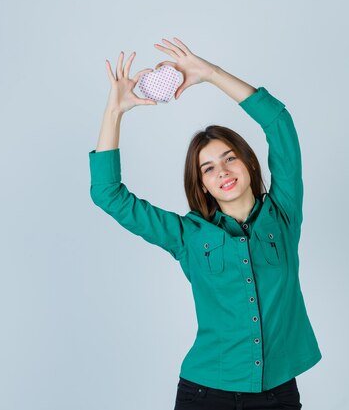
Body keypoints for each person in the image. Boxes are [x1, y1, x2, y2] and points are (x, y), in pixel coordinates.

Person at [89, 37, 322, 410]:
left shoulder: (284, 214)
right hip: (205, 394)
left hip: (277, 394)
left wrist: (211, 74)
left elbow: (279, 122)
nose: (223, 172)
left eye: (230, 159)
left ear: (249, 163)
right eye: (209, 168)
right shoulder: (187, 236)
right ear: (201, 184)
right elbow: (108, 194)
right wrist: (114, 112)